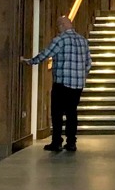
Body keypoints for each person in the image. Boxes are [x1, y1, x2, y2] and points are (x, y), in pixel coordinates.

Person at [25, 14, 90, 153]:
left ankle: (57, 142)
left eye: (58, 26)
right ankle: (71, 142)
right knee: (72, 113)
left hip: (62, 82)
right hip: (78, 84)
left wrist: (30, 61)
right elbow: (88, 63)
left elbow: (45, 54)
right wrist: (80, 75)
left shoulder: (60, 40)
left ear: (61, 26)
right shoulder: (83, 40)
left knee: (57, 112)